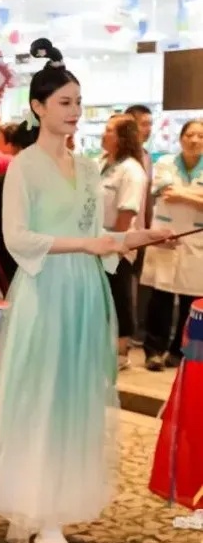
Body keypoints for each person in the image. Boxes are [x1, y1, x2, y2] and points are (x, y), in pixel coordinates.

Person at [0, 38, 172, 543]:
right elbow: (19, 237)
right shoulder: (22, 166)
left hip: (85, 292)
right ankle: (39, 516)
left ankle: (50, 509)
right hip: (45, 292)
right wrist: (87, 245)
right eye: (64, 102)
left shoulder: (89, 168)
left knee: (73, 402)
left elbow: (100, 235)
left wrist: (138, 238)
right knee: (39, 399)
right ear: (38, 107)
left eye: (78, 102)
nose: (73, 111)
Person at [140, 119, 203, 371]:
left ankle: (179, 351)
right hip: (166, 235)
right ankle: (153, 351)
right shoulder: (166, 162)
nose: (195, 140)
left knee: (191, 300)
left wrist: (181, 194)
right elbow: (165, 191)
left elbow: (175, 193)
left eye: (200, 136)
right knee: (160, 297)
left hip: (196, 241)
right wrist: (196, 197)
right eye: (190, 135)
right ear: (181, 138)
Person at [99, 113, 148, 370]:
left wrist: (115, 245)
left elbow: (126, 212)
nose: (104, 134)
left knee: (119, 295)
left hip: (117, 243)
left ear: (122, 137)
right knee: (100, 296)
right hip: (95, 240)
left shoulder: (131, 170)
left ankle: (120, 351)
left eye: (109, 130)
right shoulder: (102, 163)